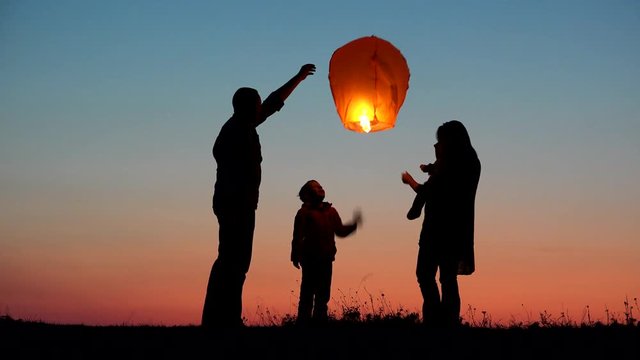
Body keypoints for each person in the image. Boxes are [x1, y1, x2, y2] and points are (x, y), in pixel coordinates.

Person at [202, 64, 316, 328]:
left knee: (234, 261)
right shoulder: (235, 132)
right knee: (233, 262)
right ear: (245, 107)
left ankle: (222, 318)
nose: (260, 106)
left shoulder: (241, 125)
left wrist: (297, 78)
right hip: (235, 205)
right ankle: (223, 319)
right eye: (256, 103)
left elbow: (272, 104)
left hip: (239, 204)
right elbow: (268, 107)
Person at [401, 120, 481, 328]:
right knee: (447, 278)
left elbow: (428, 190)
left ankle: (436, 320)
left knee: (425, 274)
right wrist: (429, 168)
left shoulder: (450, 164)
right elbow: (437, 175)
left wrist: (410, 181)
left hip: (437, 229)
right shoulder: (470, 161)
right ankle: (447, 322)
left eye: (440, 141)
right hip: (458, 229)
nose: (437, 145)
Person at [290, 180, 362, 325]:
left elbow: (340, 230)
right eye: (316, 187)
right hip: (310, 258)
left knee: (323, 294)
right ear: (307, 194)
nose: (321, 188)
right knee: (307, 293)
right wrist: (295, 255)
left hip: (326, 258)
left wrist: (353, 225)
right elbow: (297, 236)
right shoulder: (303, 213)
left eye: (321, 186)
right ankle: (303, 322)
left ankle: (319, 322)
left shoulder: (331, 211)